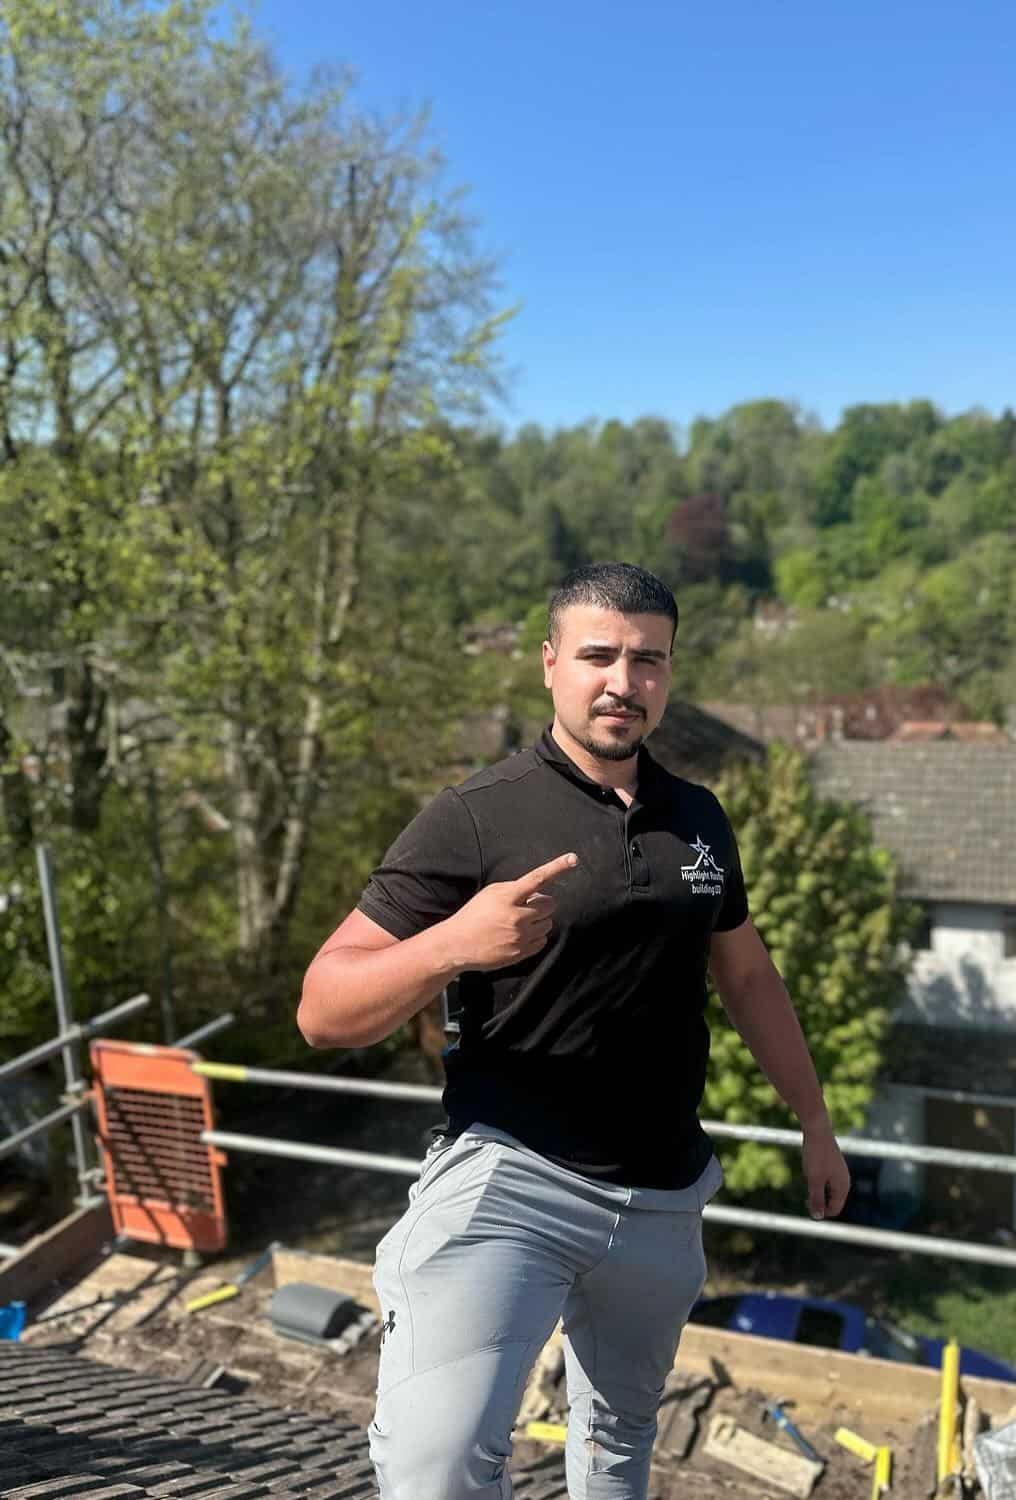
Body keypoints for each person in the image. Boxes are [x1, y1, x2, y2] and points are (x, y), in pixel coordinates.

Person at [298, 561, 850, 1500]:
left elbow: (748, 976)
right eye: (599, 656)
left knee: (618, 1441)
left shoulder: (699, 818)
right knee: (436, 1466)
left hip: (664, 1198)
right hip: (513, 1179)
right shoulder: (477, 816)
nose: (623, 682)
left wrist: (814, 1120)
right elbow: (321, 1008)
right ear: (550, 662)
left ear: (669, 674)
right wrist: (453, 945)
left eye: (648, 661)